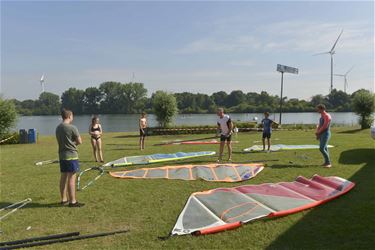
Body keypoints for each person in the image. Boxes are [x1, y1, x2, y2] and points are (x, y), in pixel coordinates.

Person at [55, 109, 84, 207]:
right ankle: (73, 201)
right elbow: (79, 141)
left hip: (62, 156)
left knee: (63, 177)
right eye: (72, 116)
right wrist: (73, 144)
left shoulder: (58, 128)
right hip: (71, 155)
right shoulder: (72, 127)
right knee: (72, 178)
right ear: (69, 116)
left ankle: (63, 199)